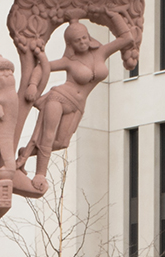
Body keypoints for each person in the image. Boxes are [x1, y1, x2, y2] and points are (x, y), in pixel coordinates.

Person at [20, 21, 136, 189]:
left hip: (77, 105)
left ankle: (24, 154)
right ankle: (40, 175)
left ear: (89, 37)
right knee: (48, 136)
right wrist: (32, 85)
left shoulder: (101, 52)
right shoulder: (68, 61)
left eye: (84, 38)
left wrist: (112, 16)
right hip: (58, 98)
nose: (82, 42)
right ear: (70, 44)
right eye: (77, 41)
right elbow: (41, 67)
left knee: (61, 143)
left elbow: (127, 38)